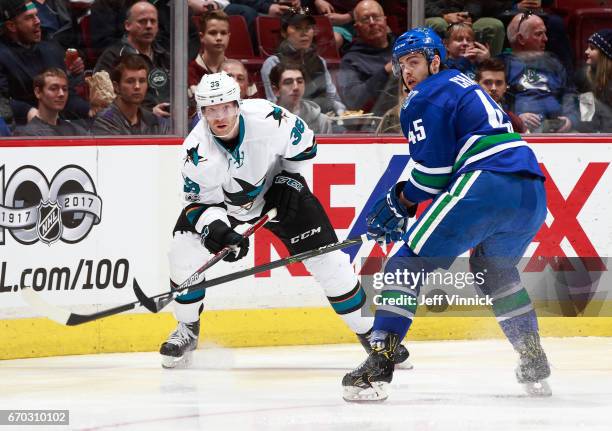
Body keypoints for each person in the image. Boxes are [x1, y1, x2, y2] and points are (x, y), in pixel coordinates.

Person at [342, 27, 551, 402]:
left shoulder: (426, 94)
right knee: (495, 270)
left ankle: (379, 366)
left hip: (487, 183)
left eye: (415, 61)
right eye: (402, 64)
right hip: (532, 190)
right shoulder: (465, 84)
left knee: (404, 263)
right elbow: (511, 129)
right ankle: (533, 359)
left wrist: (400, 200)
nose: (407, 72)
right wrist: (405, 200)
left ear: (435, 61)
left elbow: (433, 175)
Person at [159, 71, 409, 369]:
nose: (220, 116)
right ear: (201, 112)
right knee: (182, 250)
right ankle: (187, 329)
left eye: (225, 106)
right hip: (225, 207)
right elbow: (200, 205)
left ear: (238, 104)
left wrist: (290, 178)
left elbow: (306, 145)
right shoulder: (195, 152)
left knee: (331, 263)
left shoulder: (268, 118)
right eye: (211, 110)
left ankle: (373, 335)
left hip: (279, 194)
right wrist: (218, 231)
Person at [0, 0, 89, 125]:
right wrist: (26, 111)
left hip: (63, 123)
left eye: (36, 15)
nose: (37, 21)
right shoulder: (3, 55)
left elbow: (69, 94)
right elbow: (2, 101)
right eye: (29, 18)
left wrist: (72, 75)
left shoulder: (50, 47)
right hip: (24, 129)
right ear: (11, 26)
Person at [260, 7, 346, 116]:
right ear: (283, 33)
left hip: (325, 120)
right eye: (297, 28)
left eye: (308, 27)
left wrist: (341, 112)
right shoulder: (273, 63)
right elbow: (274, 104)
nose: (304, 33)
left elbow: (332, 97)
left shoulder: (319, 61)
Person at [502, 11, 577, 133]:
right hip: (518, 132)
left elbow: (569, 93)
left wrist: (570, 119)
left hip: (558, 129)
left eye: (545, 33)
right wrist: (515, 118)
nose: (546, 39)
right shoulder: (502, 64)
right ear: (521, 39)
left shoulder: (553, 63)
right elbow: (495, 98)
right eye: (539, 34)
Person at [94, 1, 171, 118]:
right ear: (127, 25)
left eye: (153, 21)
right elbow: (103, 100)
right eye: (142, 21)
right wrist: (149, 113)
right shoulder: (113, 56)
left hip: (172, 123)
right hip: (131, 126)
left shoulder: (165, 55)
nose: (149, 26)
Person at [337, 0, 397, 116]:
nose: (372, 23)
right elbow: (353, 102)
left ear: (385, 20)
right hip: (377, 124)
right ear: (356, 27)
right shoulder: (350, 61)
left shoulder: (402, 46)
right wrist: (385, 72)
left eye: (376, 17)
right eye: (365, 19)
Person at [91, 54, 169, 135]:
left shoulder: (156, 123)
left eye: (142, 81)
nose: (137, 86)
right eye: (130, 81)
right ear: (116, 87)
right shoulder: (104, 122)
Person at [14, 67, 88, 136]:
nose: (61, 94)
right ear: (38, 92)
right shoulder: (27, 134)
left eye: (65, 89)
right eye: (53, 89)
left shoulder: (76, 131)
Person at [269, 62, 333, 134]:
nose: (296, 87)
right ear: (276, 90)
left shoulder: (322, 121)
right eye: (288, 82)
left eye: (300, 81)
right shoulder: (265, 121)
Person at [575, 29, 612, 133]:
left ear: (606, 55)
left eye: (592, 48)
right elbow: (585, 124)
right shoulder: (583, 77)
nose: (586, 51)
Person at [476, 58, 526, 133]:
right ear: (475, 85)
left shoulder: (514, 121)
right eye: (487, 83)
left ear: (505, 87)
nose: (493, 88)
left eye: (499, 83)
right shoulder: (464, 115)